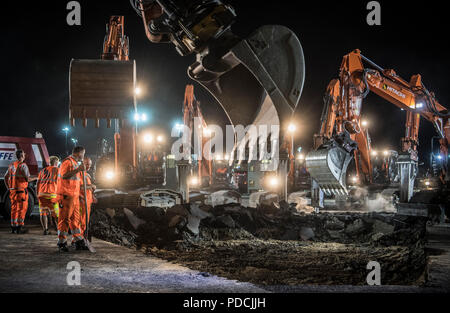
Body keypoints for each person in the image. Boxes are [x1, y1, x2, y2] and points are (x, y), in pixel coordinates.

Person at [56, 146, 86, 252]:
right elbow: (64, 176)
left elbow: (75, 181)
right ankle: (61, 243)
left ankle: (78, 240)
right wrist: (78, 169)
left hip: (74, 196)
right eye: (83, 153)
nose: (84, 156)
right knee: (64, 220)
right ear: (79, 153)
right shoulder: (67, 162)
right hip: (66, 196)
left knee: (75, 220)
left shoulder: (74, 163)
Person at [3, 149, 37, 234]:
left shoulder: (12, 165)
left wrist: (9, 187)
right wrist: (37, 177)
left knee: (14, 209)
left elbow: (5, 177)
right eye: (24, 155)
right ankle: (20, 227)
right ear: (22, 156)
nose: (25, 156)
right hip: (21, 191)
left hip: (13, 191)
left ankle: (13, 227)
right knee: (22, 209)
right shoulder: (23, 165)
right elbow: (27, 179)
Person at [37, 156, 60, 235]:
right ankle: (58, 229)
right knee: (56, 213)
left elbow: (37, 183)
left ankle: (45, 230)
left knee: (43, 212)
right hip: (52, 194)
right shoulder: (57, 170)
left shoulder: (42, 171)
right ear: (56, 163)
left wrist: (37, 194)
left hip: (41, 194)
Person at [78, 157, 96, 245]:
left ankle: (83, 239)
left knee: (85, 221)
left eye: (90, 164)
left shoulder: (87, 175)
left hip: (87, 202)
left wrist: (93, 196)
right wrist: (91, 186)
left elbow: (88, 188)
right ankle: (79, 240)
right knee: (81, 221)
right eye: (87, 164)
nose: (88, 166)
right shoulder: (79, 175)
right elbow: (79, 188)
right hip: (82, 202)